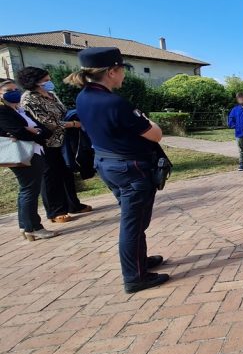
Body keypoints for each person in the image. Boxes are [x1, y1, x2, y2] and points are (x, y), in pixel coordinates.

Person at [72, 47, 168, 293]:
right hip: (130, 168)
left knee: (135, 219)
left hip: (109, 164)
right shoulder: (114, 102)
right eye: (123, 69)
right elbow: (155, 134)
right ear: (112, 72)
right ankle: (135, 277)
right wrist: (148, 119)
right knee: (133, 223)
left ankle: (139, 261)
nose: (124, 74)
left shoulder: (83, 97)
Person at [18, 67, 91, 223]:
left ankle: (73, 204)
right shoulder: (28, 99)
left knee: (66, 172)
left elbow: (62, 112)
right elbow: (46, 122)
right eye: (45, 80)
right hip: (47, 141)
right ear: (33, 82)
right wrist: (72, 124)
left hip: (63, 140)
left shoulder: (51, 95)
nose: (49, 82)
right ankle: (55, 211)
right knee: (51, 176)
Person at [0, 79, 57, 241]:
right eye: (9, 90)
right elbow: (18, 132)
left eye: (15, 89)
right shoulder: (3, 111)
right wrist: (29, 131)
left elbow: (45, 130)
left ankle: (25, 226)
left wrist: (33, 131)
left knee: (28, 189)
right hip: (22, 154)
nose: (14, 92)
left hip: (33, 150)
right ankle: (33, 227)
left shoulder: (20, 110)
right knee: (29, 190)